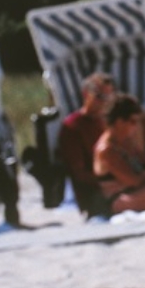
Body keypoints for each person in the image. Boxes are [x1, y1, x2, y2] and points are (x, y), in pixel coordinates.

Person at [56, 71, 115, 218]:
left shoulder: (106, 121)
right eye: (100, 97)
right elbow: (79, 172)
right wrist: (109, 182)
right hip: (94, 193)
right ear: (86, 94)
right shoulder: (73, 126)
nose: (104, 102)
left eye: (108, 98)